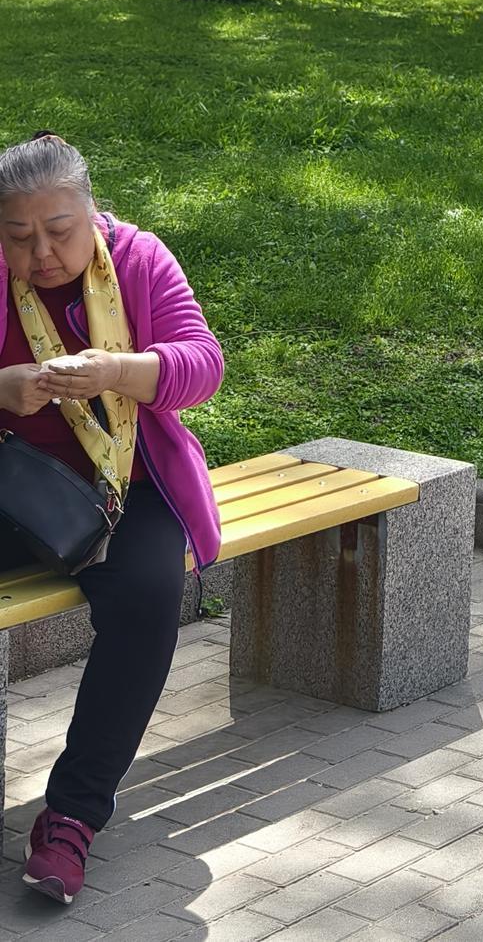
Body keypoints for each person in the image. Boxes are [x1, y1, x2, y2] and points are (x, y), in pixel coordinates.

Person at [0, 132, 223, 905]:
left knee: (147, 600)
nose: (41, 253)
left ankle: (72, 816)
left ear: (92, 212)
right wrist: (4, 387)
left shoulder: (139, 259)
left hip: (126, 484)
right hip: (14, 483)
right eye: (18, 235)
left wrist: (118, 370)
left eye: (58, 230)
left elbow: (203, 364)